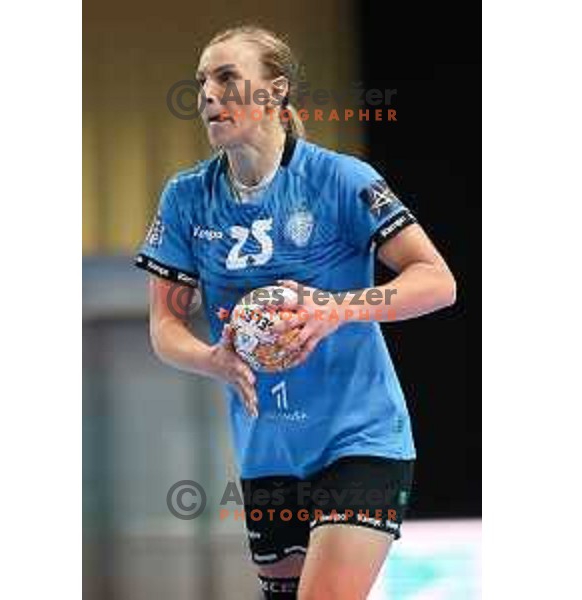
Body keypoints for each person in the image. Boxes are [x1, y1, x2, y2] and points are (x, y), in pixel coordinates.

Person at [135, 25, 456, 600]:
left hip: (361, 439)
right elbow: (164, 327)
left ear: (276, 93)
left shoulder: (341, 180)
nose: (207, 93)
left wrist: (336, 309)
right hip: (268, 451)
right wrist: (213, 359)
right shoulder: (185, 197)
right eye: (203, 80)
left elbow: (437, 281)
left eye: (228, 77)